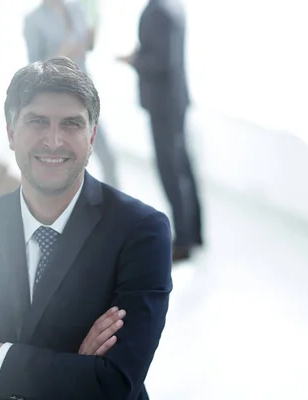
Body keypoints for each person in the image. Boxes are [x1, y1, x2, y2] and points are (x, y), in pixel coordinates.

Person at [0, 57, 173, 399]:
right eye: (37, 122)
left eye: (71, 124)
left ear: (92, 136)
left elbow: (114, 383)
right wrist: (74, 370)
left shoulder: (141, 233)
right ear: (11, 132)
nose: (53, 141)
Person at [118, 0, 203, 261]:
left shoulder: (158, 10)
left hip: (164, 104)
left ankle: (184, 240)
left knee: (170, 171)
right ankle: (195, 233)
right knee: (184, 168)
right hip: (176, 100)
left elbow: (159, 60)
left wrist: (133, 59)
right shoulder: (174, 6)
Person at [23, 0, 119, 188]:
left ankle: (116, 207)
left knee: (107, 154)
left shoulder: (75, 8)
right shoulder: (34, 20)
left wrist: (92, 36)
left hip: (84, 94)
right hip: (56, 100)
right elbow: (33, 68)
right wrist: (62, 54)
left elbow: (86, 46)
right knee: (67, 160)